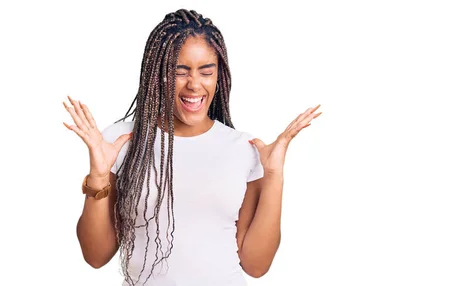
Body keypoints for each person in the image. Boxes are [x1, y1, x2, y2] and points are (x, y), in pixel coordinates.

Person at [62, 9, 321, 286]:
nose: (194, 85)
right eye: (179, 71)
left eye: (206, 71)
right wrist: (99, 176)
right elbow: (95, 256)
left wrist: (274, 175)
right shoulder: (122, 142)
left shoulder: (242, 149)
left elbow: (256, 266)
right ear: (158, 74)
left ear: (218, 76)